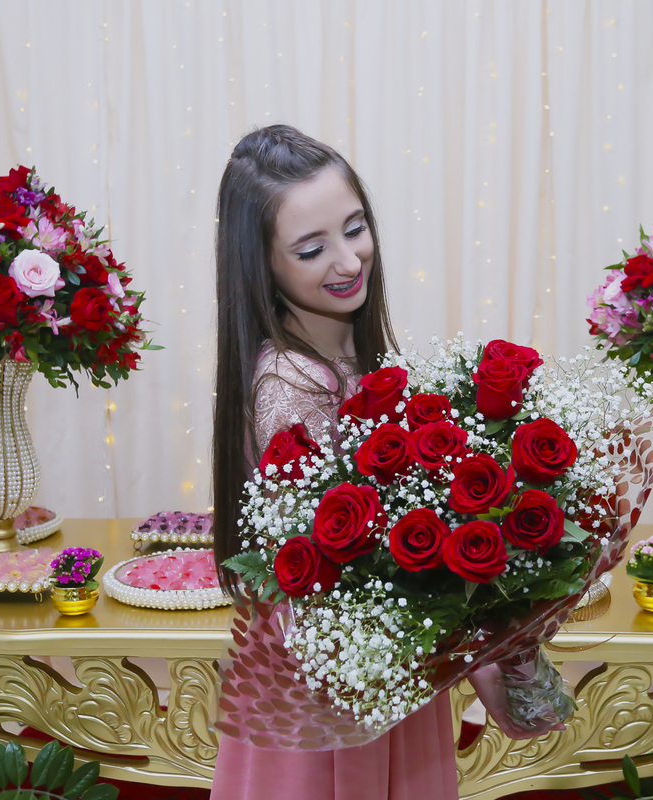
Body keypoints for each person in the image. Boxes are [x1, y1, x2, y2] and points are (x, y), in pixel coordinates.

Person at [210, 124, 558, 800]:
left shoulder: (348, 355)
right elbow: (334, 594)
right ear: (262, 265)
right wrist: (481, 640)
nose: (348, 261)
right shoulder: (291, 385)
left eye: (355, 229)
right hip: (340, 693)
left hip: (384, 675)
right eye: (312, 249)